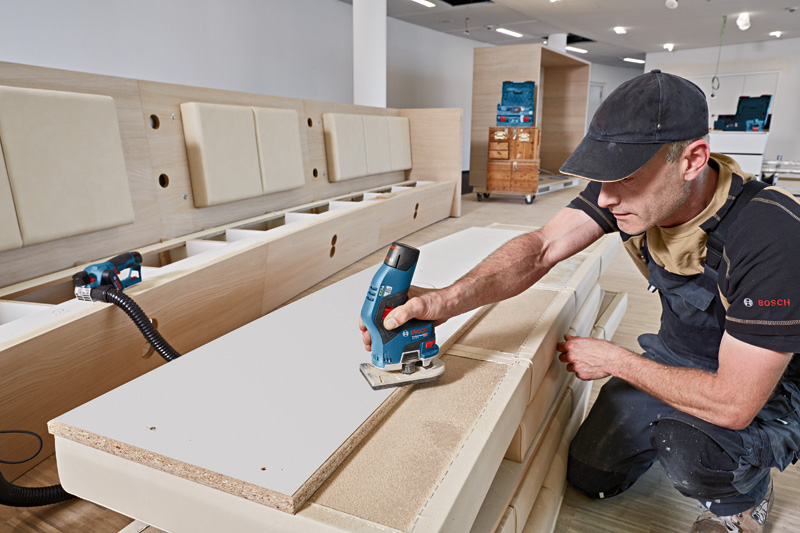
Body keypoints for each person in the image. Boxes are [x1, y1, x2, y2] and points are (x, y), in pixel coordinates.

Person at [359, 69, 800, 532]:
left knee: (693, 450)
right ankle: (677, 426)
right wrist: (445, 301)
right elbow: (541, 248)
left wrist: (616, 361)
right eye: (601, 178)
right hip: (678, 354)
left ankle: (744, 497)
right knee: (592, 474)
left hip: (764, 386)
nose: (604, 199)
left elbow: (734, 402)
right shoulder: (633, 194)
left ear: (692, 160)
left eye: (626, 177)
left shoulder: (771, 237)